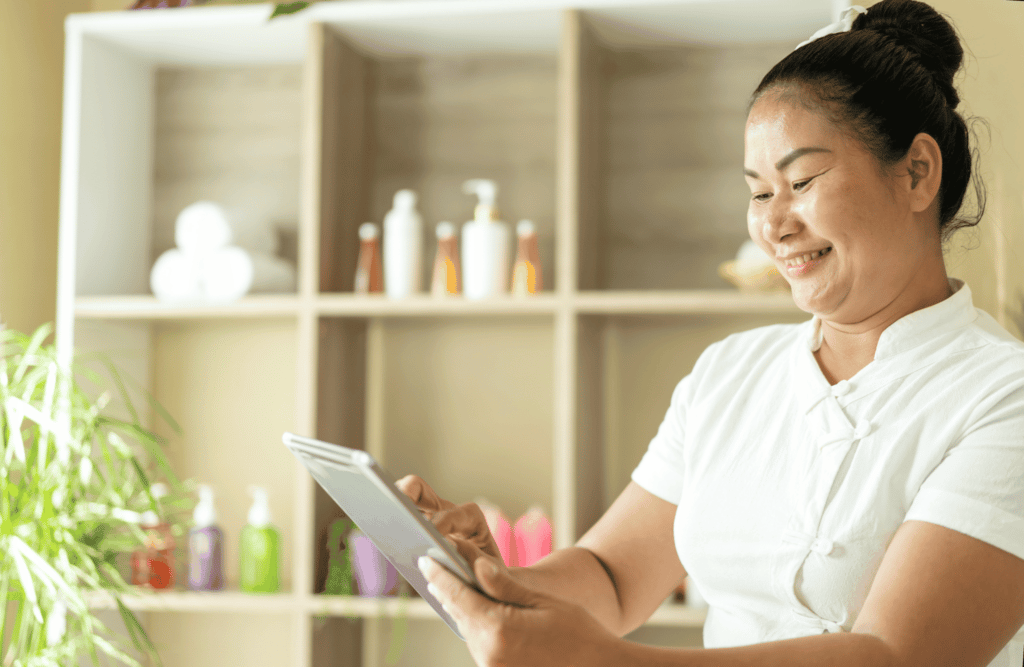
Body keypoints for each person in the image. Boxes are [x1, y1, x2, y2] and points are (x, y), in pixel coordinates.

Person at [398, 1, 1024, 665]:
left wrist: (604, 661)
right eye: (758, 193)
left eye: (802, 181)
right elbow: (611, 575)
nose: (773, 225)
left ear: (918, 171)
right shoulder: (728, 373)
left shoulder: (1003, 397)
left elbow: (895, 655)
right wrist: (493, 584)